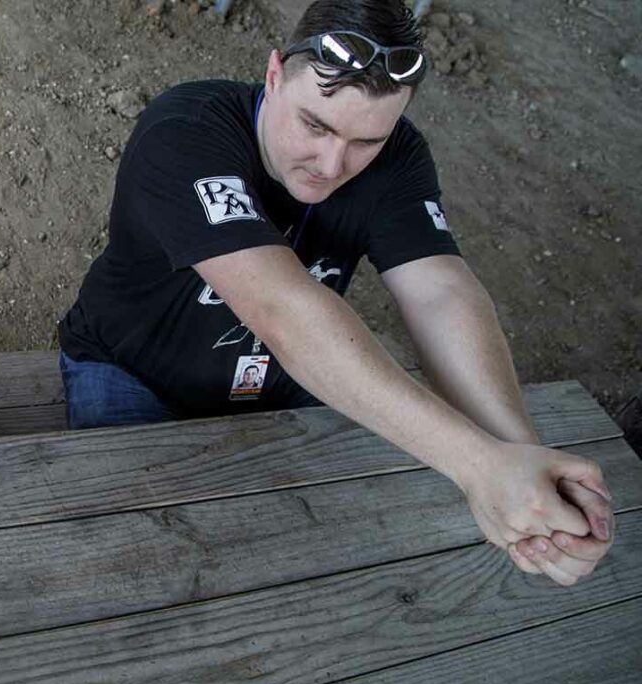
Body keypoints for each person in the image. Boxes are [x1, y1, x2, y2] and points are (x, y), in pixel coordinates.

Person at [58, 0, 614, 586]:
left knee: (328, 562)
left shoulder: (398, 155)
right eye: (314, 125)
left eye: (366, 141)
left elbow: (441, 293)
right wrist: (478, 466)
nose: (331, 163)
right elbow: (283, 311)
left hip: (284, 383)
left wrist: (525, 462)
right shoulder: (184, 132)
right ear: (274, 75)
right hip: (132, 372)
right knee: (139, 564)